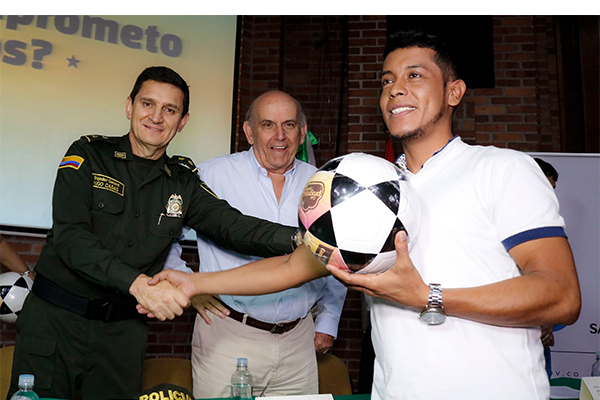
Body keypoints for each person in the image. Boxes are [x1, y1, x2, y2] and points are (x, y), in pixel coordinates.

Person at [148, 30, 581, 400]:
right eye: (387, 80)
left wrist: (428, 296)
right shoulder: (366, 188)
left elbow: (562, 296)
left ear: (454, 92)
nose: (395, 89)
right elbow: (293, 266)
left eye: (414, 76)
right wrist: (194, 284)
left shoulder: (503, 169)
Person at [8, 67, 300, 400]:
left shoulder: (183, 181)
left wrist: (303, 239)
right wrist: (137, 284)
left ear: (183, 121)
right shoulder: (88, 155)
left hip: (122, 333)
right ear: (129, 106)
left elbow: (233, 225)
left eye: (170, 110)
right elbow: (71, 238)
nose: (157, 117)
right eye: (148, 104)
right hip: (55, 321)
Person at [165, 91, 347, 397]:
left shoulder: (323, 182)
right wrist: (190, 287)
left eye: (289, 125)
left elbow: (338, 253)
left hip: (299, 341)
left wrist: (328, 320)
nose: (280, 136)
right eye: (267, 125)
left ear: (303, 132)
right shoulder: (211, 175)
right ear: (249, 132)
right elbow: (165, 237)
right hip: (228, 333)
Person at [534, 157, 561, 379]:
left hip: (539, 339)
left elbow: (553, 282)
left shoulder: (548, 228)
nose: (549, 196)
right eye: (544, 188)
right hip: (504, 338)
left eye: (552, 190)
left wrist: (548, 323)